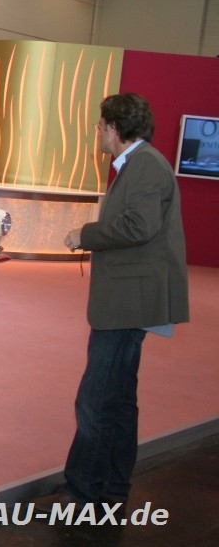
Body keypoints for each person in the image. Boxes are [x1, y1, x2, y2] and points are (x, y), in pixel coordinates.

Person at [50, 93, 189, 511]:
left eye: (100, 126)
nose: (98, 133)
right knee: (119, 400)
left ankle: (81, 492)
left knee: (95, 400)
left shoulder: (145, 165)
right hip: (130, 299)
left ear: (114, 127)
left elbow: (138, 226)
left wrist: (85, 235)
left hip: (128, 302)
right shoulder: (141, 163)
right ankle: (112, 486)